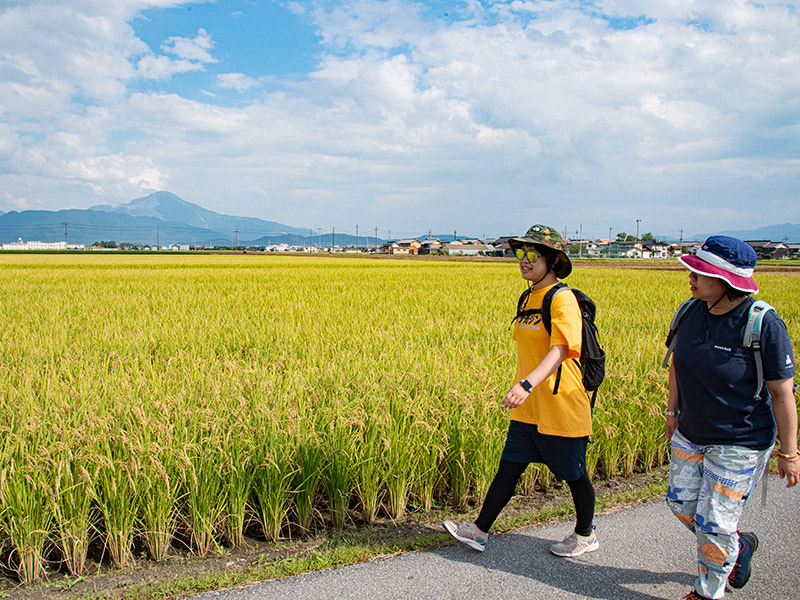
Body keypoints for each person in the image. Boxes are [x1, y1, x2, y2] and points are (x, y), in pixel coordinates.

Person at [443, 224, 597, 557]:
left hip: (560, 404)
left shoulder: (562, 299)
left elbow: (561, 350)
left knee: (574, 473)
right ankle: (480, 531)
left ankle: (585, 535)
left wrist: (526, 384)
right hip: (528, 407)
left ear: (552, 260)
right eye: (519, 253)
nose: (523, 260)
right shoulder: (528, 297)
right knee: (509, 467)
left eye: (532, 254)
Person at [663, 236, 799, 600]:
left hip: (741, 440)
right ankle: (737, 546)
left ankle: (708, 591)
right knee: (680, 504)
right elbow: (677, 363)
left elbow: (782, 393)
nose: (691, 276)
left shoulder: (762, 324)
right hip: (691, 431)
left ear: (726, 280)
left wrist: (790, 453)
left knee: (715, 522)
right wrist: (672, 411)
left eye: (700, 271)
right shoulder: (689, 311)